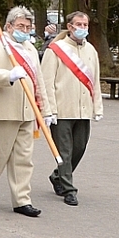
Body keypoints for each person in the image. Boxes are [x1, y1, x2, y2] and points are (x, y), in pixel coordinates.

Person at [0, 7, 53, 217]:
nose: (24, 30)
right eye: (20, 26)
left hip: (26, 112)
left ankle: (21, 200)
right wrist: (7, 75)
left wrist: (45, 110)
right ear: (9, 26)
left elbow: (39, 82)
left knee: (23, 159)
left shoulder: (29, 48)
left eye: (28, 27)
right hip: (2, 111)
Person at [40, 11, 103, 206]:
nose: (82, 28)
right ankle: (69, 189)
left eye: (85, 24)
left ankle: (58, 176)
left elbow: (96, 81)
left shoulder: (91, 50)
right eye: (79, 24)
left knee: (79, 148)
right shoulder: (55, 50)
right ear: (70, 26)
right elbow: (46, 83)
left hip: (83, 110)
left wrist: (97, 107)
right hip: (61, 109)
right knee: (65, 151)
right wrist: (48, 110)